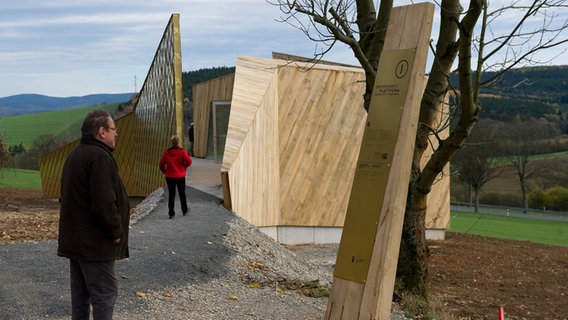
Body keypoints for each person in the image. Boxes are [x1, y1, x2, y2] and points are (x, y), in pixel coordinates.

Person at [58, 109, 130, 320]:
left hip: (76, 242)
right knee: (105, 296)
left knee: (80, 300)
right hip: (95, 245)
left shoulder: (76, 154)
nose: (116, 134)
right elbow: (103, 202)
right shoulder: (100, 157)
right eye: (113, 129)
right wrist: (116, 231)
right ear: (102, 132)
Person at [159, 134, 192, 218]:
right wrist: (184, 167)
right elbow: (189, 161)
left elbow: (161, 164)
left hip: (170, 176)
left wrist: (165, 171)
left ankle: (171, 213)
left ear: (171, 142)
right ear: (178, 142)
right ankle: (184, 210)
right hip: (180, 175)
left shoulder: (166, 152)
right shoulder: (182, 151)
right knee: (182, 193)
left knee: (171, 194)